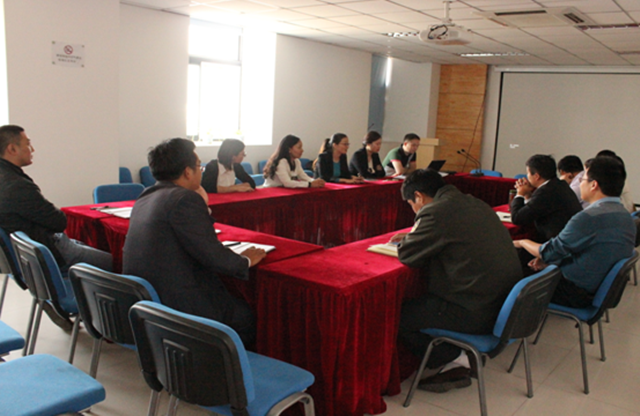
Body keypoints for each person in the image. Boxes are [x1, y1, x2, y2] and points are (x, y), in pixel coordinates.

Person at [122, 138, 267, 345]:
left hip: (146, 299)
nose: (201, 171)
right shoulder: (184, 199)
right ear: (187, 172)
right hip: (177, 302)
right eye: (199, 166)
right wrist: (245, 260)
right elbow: (213, 255)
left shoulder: (146, 195)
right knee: (247, 316)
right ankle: (225, 365)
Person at [391, 169, 522, 393]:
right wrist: (421, 235)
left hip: (477, 310)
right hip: (504, 303)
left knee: (398, 316)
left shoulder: (436, 211)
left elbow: (408, 255)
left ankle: (458, 358)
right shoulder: (474, 202)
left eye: (411, 204)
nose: (413, 209)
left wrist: (414, 237)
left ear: (419, 196)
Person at [0, 125, 113, 330]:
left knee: (94, 246)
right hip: (52, 250)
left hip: (30, 255)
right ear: (12, 149)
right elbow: (59, 221)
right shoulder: (16, 185)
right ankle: (113, 323)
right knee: (116, 261)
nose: (32, 149)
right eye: (28, 144)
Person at [514, 156, 636, 308]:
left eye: (582, 179)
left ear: (594, 185)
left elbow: (548, 252)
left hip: (575, 292)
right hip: (597, 288)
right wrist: (551, 260)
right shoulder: (625, 216)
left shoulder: (589, 217)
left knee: (513, 270)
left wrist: (522, 242)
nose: (579, 183)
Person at [511, 154, 582, 243]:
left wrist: (520, 194)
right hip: (570, 239)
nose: (527, 176)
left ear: (536, 176)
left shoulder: (546, 192)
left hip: (558, 244)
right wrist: (527, 196)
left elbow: (517, 218)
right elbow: (533, 210)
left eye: (528, 173)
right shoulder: (559, 185)